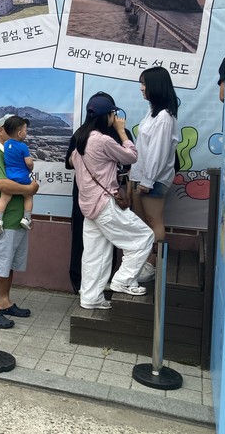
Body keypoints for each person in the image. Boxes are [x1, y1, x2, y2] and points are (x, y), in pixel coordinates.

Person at [69, 96, 154, 309]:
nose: (115, 118)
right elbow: (131, 157)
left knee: (95, 254)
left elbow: (71, 161)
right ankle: (123, 280)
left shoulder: (81, 138)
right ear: (105, 116)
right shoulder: (103, 140)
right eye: (112, 114)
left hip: (88, 206)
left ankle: (90, 298)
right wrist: (122, 132)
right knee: (144, 237)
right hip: (105, 203)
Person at [64, 92, 133, 294]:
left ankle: (90, 285)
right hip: (99, 194)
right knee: (92, 241)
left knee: (96, 240)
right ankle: (90, 284)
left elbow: (129, 163)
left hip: (94, 195)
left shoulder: (84, 133)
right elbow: (69, 162)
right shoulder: (97, 134)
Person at [0, 114, 39, 328]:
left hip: (16, 220)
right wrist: (29, 189)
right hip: (2, 222)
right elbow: (0, 184)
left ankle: (4, 301)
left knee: (9, 264)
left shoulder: (11, 152)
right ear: (1, 131)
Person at [130, 66, 180, 284]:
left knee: (153, 221)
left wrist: (148, 180)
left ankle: (153, 264)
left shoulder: (164, 117)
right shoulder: (153, 113)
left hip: (153, 180)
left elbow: (158, 153)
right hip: (142, 176)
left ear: (156, 86)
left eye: (144, 84)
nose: (141, 88)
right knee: (142, 223)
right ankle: (144, 262)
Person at [0, 116, 33, 233]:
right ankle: (26, 218)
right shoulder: (23, 146)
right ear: (19, 133)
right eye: (25, 130)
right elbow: (28, 162)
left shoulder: (6, 145)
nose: (26, 133)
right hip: (23, 178)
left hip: (10, 177)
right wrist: (31, 166)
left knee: (4, 198)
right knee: (28, 196)